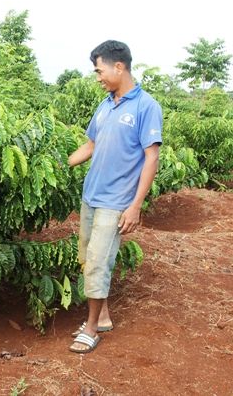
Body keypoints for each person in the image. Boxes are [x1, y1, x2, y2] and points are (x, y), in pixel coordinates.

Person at [67, 40, 162, 353]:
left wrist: (135, 206)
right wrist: (57, 164)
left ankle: (91, 328)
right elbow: (90, 146)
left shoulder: (146, 106)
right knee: (86, 257)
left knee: (98, 261)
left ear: (118, 66)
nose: (97, 77)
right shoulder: (105, 104)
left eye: (99, 70)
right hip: (91, 195)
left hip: (116, 200)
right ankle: (103, 314)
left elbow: (151, 158)